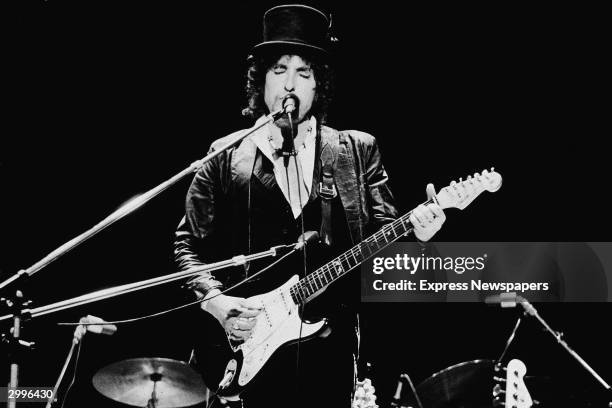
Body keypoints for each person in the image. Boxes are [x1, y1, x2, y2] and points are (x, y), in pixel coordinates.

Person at [174, 5, 446, 407]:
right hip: (243, 349)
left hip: (328, 358)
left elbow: (384, 251)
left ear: (318, 85)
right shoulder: (226, 155)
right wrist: (217, 302)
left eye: (304, 73)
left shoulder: (355, 150)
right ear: (261, 80)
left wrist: (420, 236)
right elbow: (187, 247)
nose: (290, 85)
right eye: (279, 70)